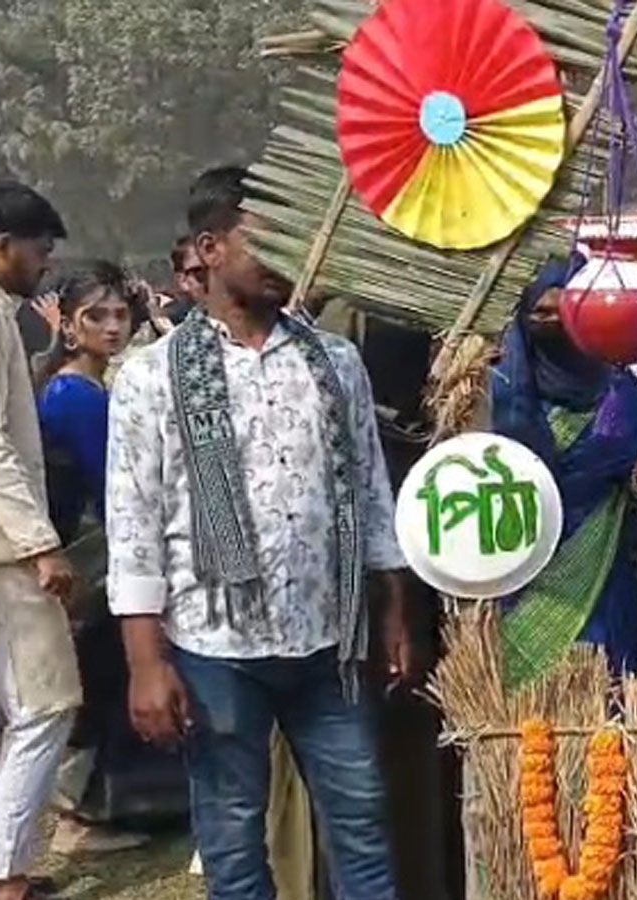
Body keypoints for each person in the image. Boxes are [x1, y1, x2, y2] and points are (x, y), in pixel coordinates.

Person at [107, 167, 410, 900]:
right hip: (216, 647)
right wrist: (147, 665)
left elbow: (370, 489)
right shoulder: (152, 377)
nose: (293, 257)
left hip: (327, 642)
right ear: (209, 249)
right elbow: (133, 524)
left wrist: (394, 609)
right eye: (269, 241)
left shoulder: (333, 362)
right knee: (233, 836)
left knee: (364, 825)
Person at [491, 257, 637, 682]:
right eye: (540, 314)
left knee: (607, 689)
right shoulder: (498, 396)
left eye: (562, 312)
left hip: (605, 575)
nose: (552, 323)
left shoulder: (621, 392)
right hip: (520, 577)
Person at [33, 262, 179, 856]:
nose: (113, 326)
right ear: (70, 327)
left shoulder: (86, 386)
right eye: (98, 315)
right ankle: (85, 815)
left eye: (121, 313)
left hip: (99, 554)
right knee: (105, 680)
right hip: (97, 556)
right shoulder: (77, 396)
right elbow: (112, 483)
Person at [0, 180, 81, 900]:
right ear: (4, 246)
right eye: (40, 250)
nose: (45, 265)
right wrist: (41, 543)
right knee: (47, 706)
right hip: (0, 550)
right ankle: (3, 875)